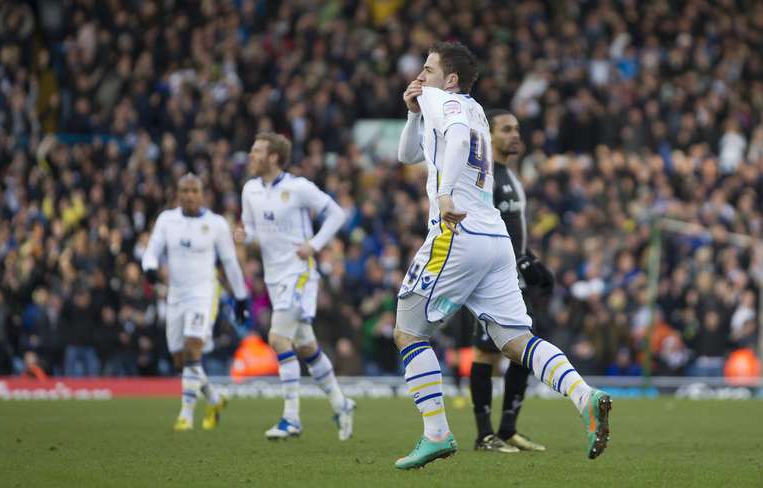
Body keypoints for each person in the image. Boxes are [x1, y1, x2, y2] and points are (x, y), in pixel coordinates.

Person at [393, 41, 611, 469]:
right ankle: (585, 396)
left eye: (429, 68)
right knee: (515, 342)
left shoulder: (445, 100)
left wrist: (443, 195)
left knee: (408, 332)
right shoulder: (474, 110)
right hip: (496, 242)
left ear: (450, 79)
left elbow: (453, 141)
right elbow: (407, 155)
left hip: (458, 231)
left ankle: (436, 433)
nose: (421, 75)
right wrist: (412, 112)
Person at [235, 132, 356, 441]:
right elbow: (251, 231)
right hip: (274, 277)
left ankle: (291, 418)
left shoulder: (298, 187)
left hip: (300, 273)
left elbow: (337, 214)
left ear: (274, 157)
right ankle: (342, 405)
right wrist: (243, 237)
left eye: (256, 150)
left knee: (277, 338)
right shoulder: (250, 190)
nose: (251, 155)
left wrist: (314, 244)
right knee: (305, 346)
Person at [468, 110, 553, 453]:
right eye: (506, 129)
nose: (515, 135)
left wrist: (528, 258)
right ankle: (484, 434)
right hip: (489, 278)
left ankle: (507, 430)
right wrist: (517, 259)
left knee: (521, 353)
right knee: (487, 353)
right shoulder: (483, 175)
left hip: (512, 276)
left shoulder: (511, 176)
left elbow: (513, 229)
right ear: (488, 135)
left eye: (517, 129)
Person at [142, 173, 249, 432]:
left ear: (202, 194)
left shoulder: (216, 224)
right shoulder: (167, 221)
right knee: (181, 360)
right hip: (176, 296)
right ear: (178, 194)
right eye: (184, 190)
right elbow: (151, 253)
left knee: (192, 349)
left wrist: (241, 297)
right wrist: (150, 269)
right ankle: (214, 399)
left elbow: (230, 262)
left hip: (203, 295)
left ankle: (186, 415)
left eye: (194, 190)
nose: (189, 195)